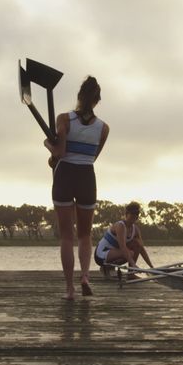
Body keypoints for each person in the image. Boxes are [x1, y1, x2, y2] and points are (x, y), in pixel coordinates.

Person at [44, 76, 110, 300]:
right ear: (97, 100)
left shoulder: (64, 119)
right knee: (84, 234)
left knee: (66, 237)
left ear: (79, 97)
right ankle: (85, 277)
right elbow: (92, 157)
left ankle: (70, 289)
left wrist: (47, 145)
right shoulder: (103, 128)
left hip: (65, 176)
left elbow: (59, 152)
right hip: (86, 177)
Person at [95, 202, 154, 272]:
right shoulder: (120, 226)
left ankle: (131, 275)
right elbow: (123, 247)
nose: (134, 216)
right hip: (101, 255)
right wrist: (133, 265)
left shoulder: (136, 229)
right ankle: (106, 267)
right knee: (130, 253)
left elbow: (142, 249)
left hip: (115, 253)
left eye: (137, 214)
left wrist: (152, 267)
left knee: (137, 244)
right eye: (132, 213)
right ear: (126, 214)